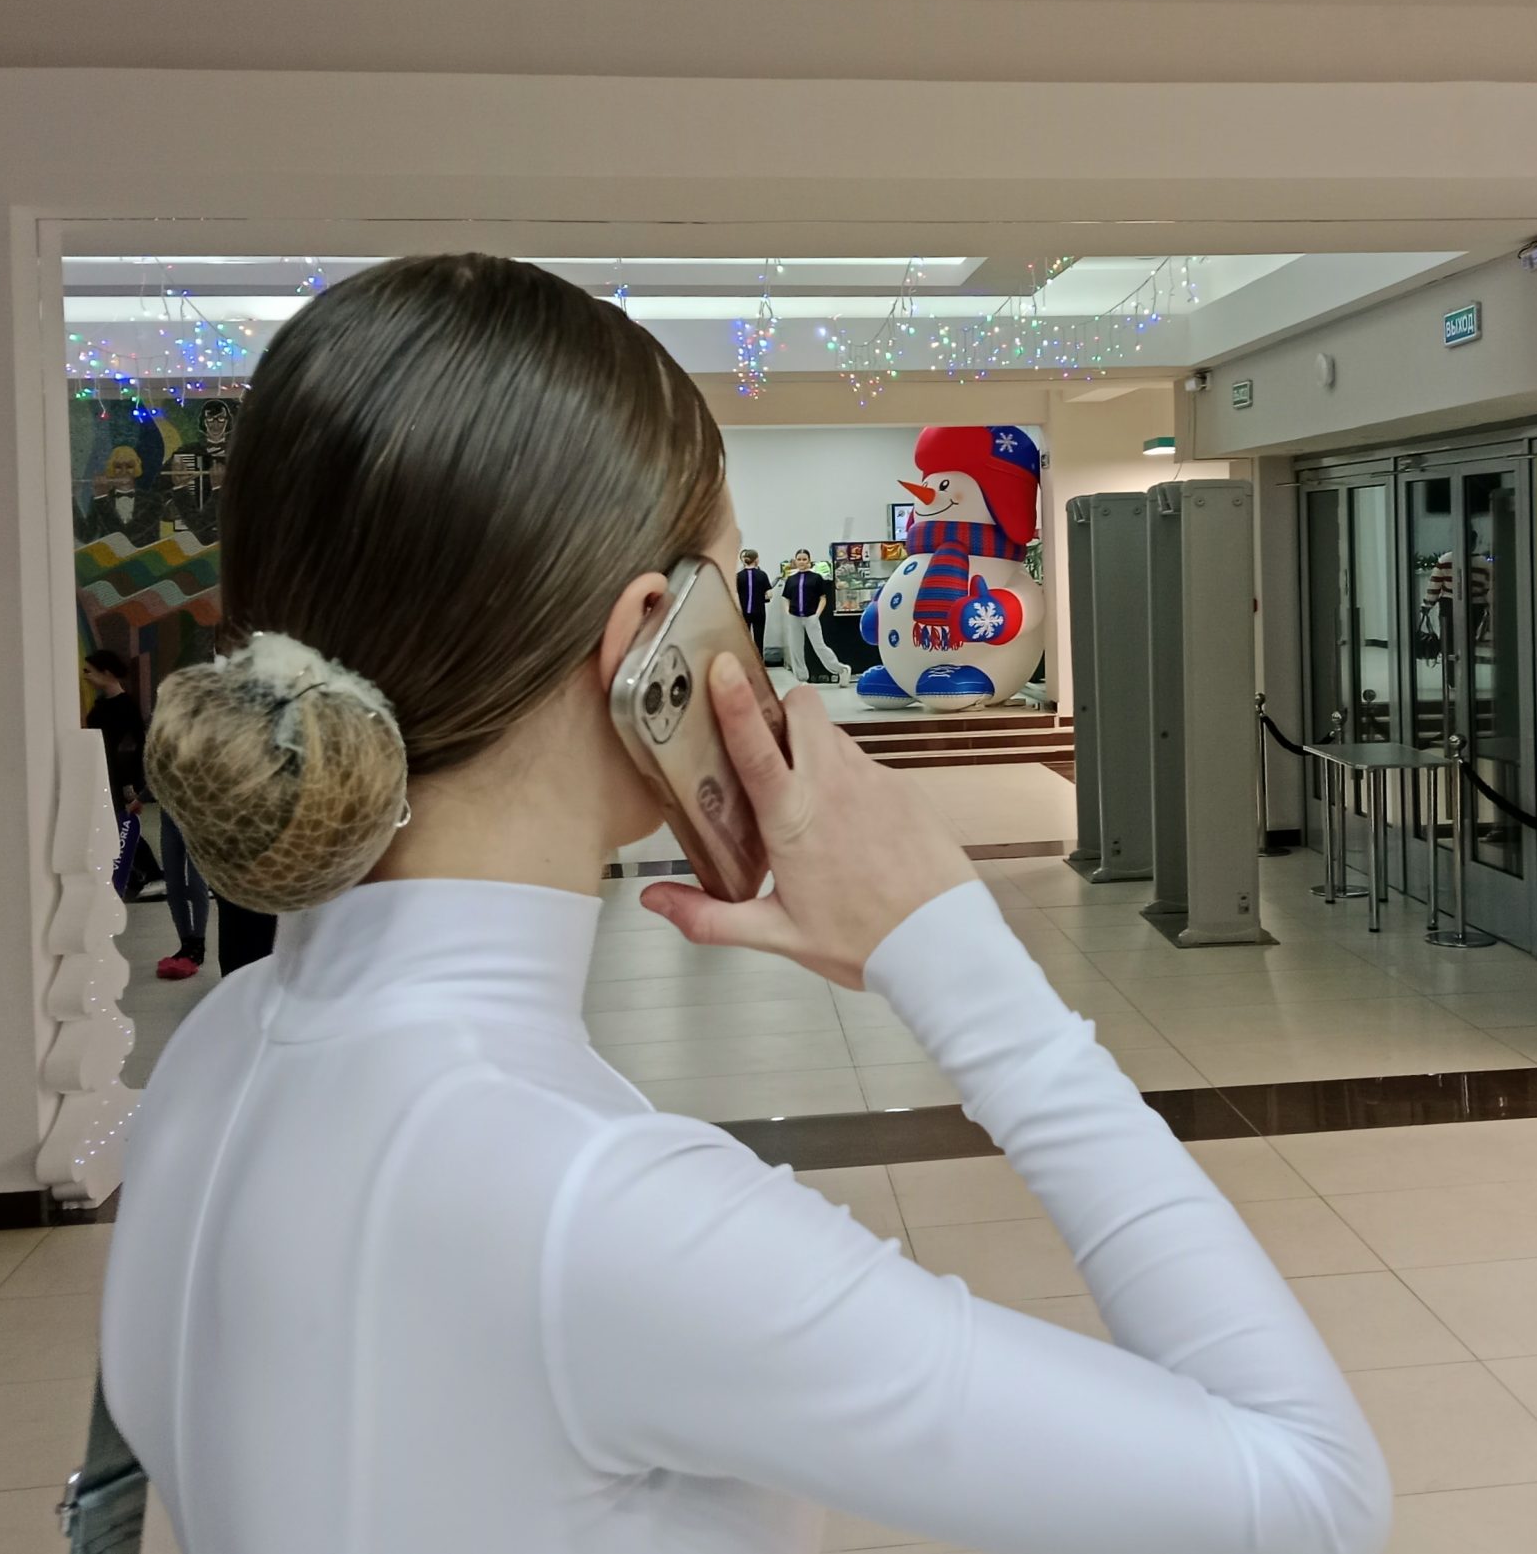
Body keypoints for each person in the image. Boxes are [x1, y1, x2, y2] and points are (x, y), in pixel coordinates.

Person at [107, 255, 1387, 1554]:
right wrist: (956, 953)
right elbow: (1310, 1500)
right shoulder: (600, 1206)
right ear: (645, 640)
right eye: (727, 586)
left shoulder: (213, 1058)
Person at [85, 647, 209, 971]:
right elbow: (157, 768)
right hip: (170, 812)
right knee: (176, 882)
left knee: (195, 881)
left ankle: (197, 942)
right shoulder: (160, 726)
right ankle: (187, 943)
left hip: (195, 814)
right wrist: (140, 795)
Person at [779, 546, 843, 684]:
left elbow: (823, 598)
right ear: (795, 561)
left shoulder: (816, 578)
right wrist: (787, 611)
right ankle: (801, 678)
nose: (801, 562)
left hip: (811, 617)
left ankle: (840, 669)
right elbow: (785, 597)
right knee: (796, 648)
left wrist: (817, 614)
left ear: (809, 561)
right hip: (794, 617)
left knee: (819, 646)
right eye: (799, 559)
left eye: (804, 559)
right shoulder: (791, 579)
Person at [733, 546, 773, 654]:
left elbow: (735, 594)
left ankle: (745, 660)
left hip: (744, 611)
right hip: (759, 611)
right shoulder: (762, 575)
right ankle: (759, 660)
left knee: (744, 639)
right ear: (756, 560)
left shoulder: (738, 576)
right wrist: (760, 596)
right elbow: (769, 595)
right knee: (759, 638)